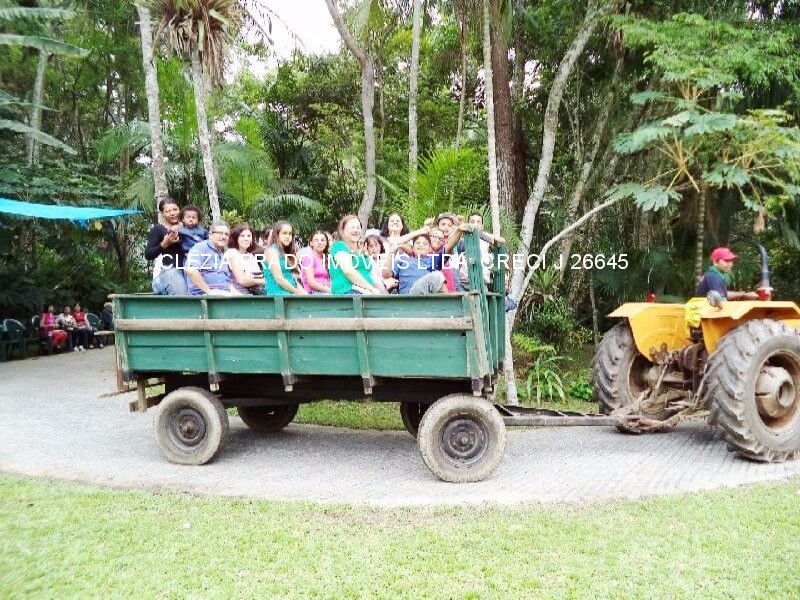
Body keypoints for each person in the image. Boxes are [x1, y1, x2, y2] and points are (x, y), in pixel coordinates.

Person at [393, 224, 470, 295]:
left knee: (437, 276)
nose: (421, 245)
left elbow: (449, 246)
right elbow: (397, 243)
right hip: (408, 295)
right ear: (413, 247)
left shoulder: (432, 260)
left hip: (426, 293)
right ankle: (449, 305)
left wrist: (459, 230)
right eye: (418, 243)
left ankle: (447, 304)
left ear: (429, 248)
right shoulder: (403, 260)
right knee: (436, 276)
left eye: (425, 244)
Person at [145, 198, 188, 295]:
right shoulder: (158, 229)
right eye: (168, 211)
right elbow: (148, 254)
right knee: (183, 296)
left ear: (179, 209)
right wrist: (164, 244)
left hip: (189, 269)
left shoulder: (188, 226)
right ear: (162, 213)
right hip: (170, 270)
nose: (172, 213)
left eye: (175, 209)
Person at [329, 215, 381, 295]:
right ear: (343, 230)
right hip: (347, 291)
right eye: (352, 227)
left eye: (358, 227)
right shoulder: (339, 246)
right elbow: (348, 271)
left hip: (365, 293)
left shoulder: (361, 250)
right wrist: (372, 289)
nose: (356, 230)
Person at [185, 220, 236, 295]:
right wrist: (209, 292)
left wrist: (238, 295)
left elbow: (226, 281)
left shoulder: (222, 254)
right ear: (210, 234)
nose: (223, 237)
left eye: (226, 234)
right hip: (203, 297)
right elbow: (191, 270)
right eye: (220, 233)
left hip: (224, 295)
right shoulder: (200, 248)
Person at [264, 221, 307, 296]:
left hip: (291, 291)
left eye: (290, 234)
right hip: (278, 293)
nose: (287, 236)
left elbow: (293, 277)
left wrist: (303, 293)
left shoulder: (287, 252)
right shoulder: (272, 251)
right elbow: (279, 279)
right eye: (284, 233)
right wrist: (297, 293)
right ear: (277, 235)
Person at [226, 223, 265, 295]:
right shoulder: (232, 253)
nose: (246, 239)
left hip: (253, 293)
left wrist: (253, 279)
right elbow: (242, 280)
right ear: (236, 238)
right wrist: (258, 280)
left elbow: (260, 276)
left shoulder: (251, 256)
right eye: (242, 236)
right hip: (236, 294)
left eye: (249, 236)